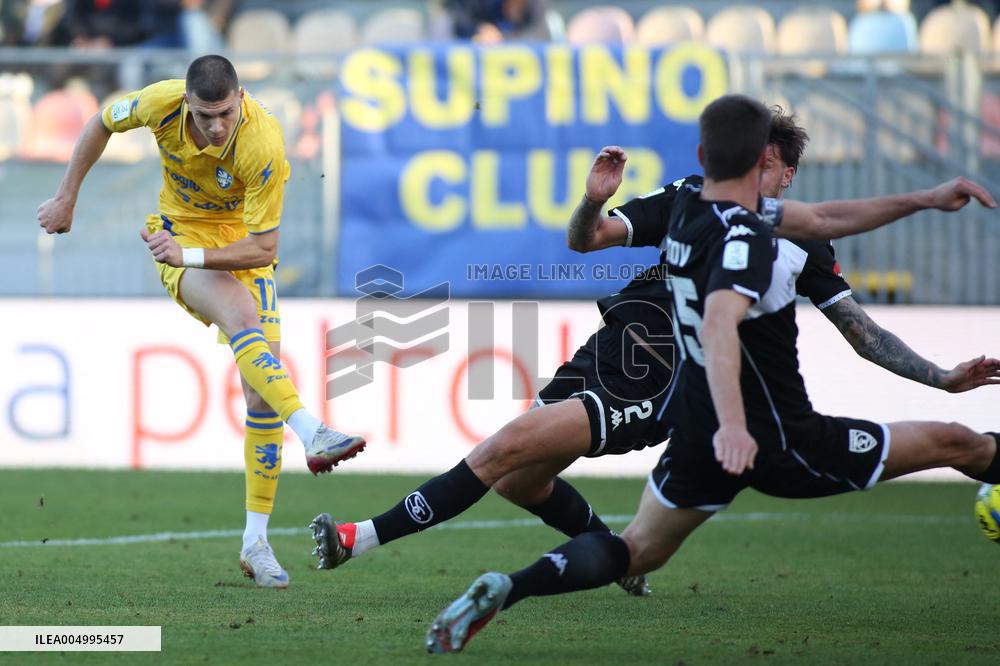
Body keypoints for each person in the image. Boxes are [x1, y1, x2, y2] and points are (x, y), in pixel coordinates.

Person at [309, 105, 999, 601]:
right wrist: (590, 201)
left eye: (779, 170)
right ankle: (618, 556)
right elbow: (588, 239)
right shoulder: (686, 200)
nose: (773, 178)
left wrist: (938, 376)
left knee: (507, 445)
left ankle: (359, 536)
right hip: (608, 352)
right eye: (766, 164)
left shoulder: (796, 238)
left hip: (664, 381)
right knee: (522, 479)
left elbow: (861, 331)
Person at [36, 55, 366, 589]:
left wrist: (189, 256)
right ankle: (310, 428)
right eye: (205, 115)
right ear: (186, 102)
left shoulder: (263, 144)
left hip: (238, 251)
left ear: (241, 98)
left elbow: (263, 246)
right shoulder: (159, 101)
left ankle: (255, 543)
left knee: (260, 398)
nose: (216, 127)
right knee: (241, 319)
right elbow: (101, 121)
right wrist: (66, 195)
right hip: (176, 236)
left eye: (225, 114)